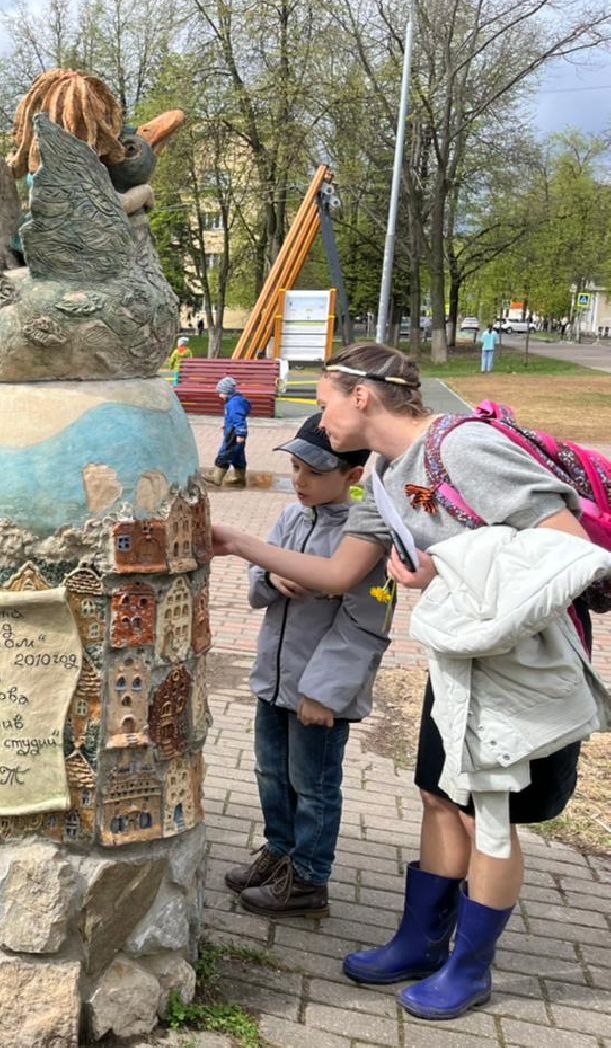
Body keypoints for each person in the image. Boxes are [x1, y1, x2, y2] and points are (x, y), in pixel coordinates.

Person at [211, 343, 599, 1021]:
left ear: (361, 396)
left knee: (490, 818)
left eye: (323, 400)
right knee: (435, 796)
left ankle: (468, 968)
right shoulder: (385, 474)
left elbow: (570, 551)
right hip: (461, 660)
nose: (318, 418)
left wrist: (441, 570)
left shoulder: (464, 447)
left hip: (523, 665)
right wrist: (234, 542)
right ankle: (419, 942)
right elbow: (336, 574)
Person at [228, 414, 389, 920]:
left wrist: (324, 692)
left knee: (313, 787)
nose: (299, 481)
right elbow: (261, 574)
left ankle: (309, 880)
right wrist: (272, 582)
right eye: (296, 468)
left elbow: (365, 623)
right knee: (271, 774)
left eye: (314, 473)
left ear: (352, 476)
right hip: (273, 682)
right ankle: (280, 853)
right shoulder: (291, 518)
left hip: (317, 695)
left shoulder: (365, 539)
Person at [211, 375, 251, 486]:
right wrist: (226, 425)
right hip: (233, 431)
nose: (220, 395)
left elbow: (238, 418)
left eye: (221, 392)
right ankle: (239, 477)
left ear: (227, 392)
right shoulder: (235, 401)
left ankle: (217, 477)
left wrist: (240, 434)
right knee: (238, 455)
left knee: (225, 453)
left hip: (234, 434)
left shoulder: (234, 403)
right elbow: (233, 418)